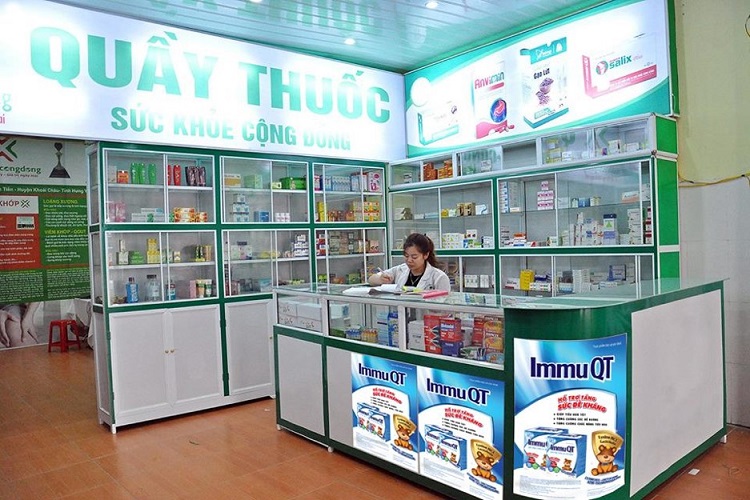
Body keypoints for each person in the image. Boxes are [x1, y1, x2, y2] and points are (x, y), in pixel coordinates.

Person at [368, 233, 451, 292]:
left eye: (414, 257)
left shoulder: (439, 277)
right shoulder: (400, 270)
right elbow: (371, 279)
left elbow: (444, 306)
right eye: (406, 256)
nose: (409, 260)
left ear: (426, 255)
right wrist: (381, 279)